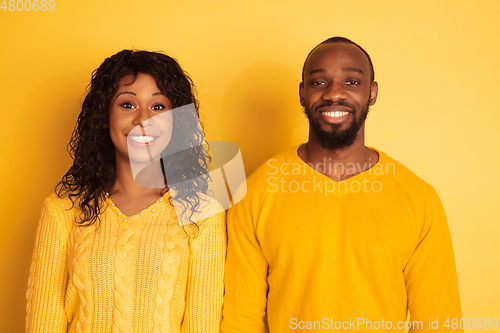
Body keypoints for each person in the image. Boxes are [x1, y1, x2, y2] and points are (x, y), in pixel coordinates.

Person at [221, 37, 462, 332]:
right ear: (302, 93)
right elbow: (241, 319)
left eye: (351, 82)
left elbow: (439, 322)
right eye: (319, 82)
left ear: (372, 93)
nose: (334, 93)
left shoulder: (419, 198)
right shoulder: (256, 192)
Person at [26, 50, 225, 333]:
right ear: (104, 117)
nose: (143, 119)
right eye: (128, 104)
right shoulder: (62, 211)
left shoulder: (202, 214)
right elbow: (44, 319)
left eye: (158, 107)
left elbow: (201, 324)